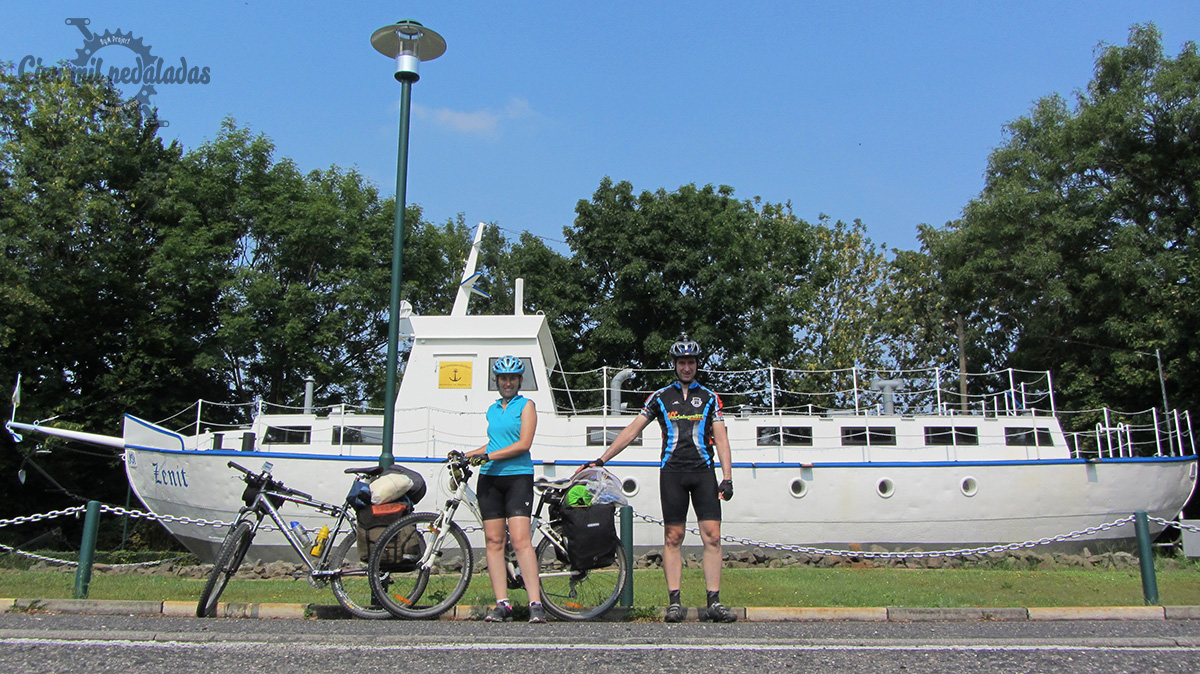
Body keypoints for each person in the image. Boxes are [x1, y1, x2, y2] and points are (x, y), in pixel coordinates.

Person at [582, 334, 736, 623]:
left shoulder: (710, 398)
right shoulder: (660, 397)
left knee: (712, 537)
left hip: (703, 472)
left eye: (691, 362)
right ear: (674, 365)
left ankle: (714, 602)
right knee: (673, 537)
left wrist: (727, 477)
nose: (686, 367)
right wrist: (602, 459)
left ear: (697, 364)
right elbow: (632, 430)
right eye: (682, 362)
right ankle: (674, 602)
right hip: (672, 473)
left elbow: (722, 439)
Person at [465, 355, 546, 623]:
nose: (507, 383)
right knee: (494, 541)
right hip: (489, 479)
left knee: (521, 540)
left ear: (520, 380)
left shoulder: (526, 405)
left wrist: (488, 456)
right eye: (503, 378)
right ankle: (503, 604)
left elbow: (523, 444)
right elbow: (492, 445)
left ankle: (535, 603)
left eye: (512, 378)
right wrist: (466, 455)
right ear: (496, 381)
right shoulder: (492, 409)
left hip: (517, 477)